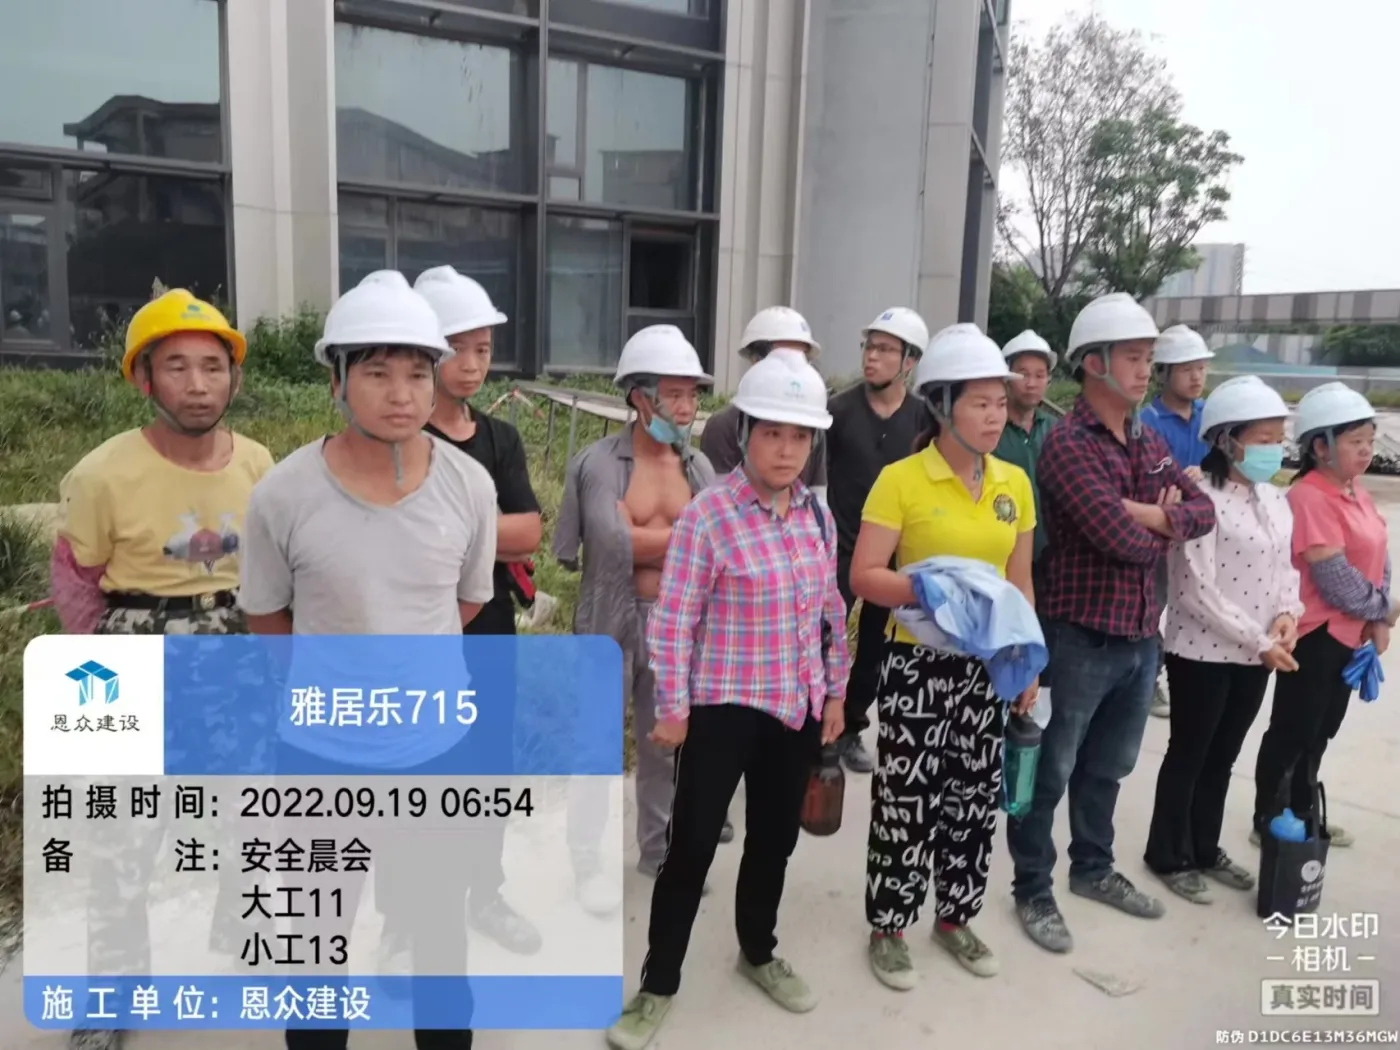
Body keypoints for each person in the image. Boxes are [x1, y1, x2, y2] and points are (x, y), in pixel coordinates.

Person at [238, 270, 499, 1050]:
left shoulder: (469, 487)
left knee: (439, 940)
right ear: (337, 380)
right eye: (378, 372)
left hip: (435, 749)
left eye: (418, 373)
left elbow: (465, 602)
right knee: (318, 942)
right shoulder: (283, 495)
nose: (401, 394)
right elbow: (266, 614)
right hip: (320, 752)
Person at [604, 350, 849, 1050]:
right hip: (722, 711)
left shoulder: (816, 517)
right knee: (689, 851)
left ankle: (758, 951)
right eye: (772, 433)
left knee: (773, 843)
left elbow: (830, 612)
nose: (787, 450)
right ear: (744, 434)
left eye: (800, 436)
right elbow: (674, 619)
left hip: (794, 709)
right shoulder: (709, 515)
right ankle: (658, 984)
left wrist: (835, 692)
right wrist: (673, 708)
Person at [53, 290, 272, 1050]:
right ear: (143, 378)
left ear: (234, 377)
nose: (199, 384)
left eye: (213, 366)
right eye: (176, 367)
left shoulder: (259, 464)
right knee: (121, 834)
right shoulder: (102, 474)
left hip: (238, 643)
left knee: (253, 812)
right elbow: (75, 581)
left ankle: (246, 937)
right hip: (136, 643)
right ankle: (113, 991)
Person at [1005, 292, 1216, 954]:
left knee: (1108, 769)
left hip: (1139, 638)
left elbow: (1203, 511)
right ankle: (1032, 887)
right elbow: (1117, 540)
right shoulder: (1068, 445)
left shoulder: (1148, 439)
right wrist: (1163, 524)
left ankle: (1092, 867)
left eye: (1149, 357)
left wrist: (1152, 514)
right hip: (1078, 637)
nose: (1145, 370)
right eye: (1132, 357)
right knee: (1051, 772)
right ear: (1093, 363)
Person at [851, 323, 1039, 988]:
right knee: (906, 799)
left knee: (973, 798)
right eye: (980, 403)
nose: (995, 416)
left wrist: (1027, 663)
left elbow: (1020, 582)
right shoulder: (901, 481)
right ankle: (890, 924)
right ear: (941, 405)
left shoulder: (1014, 482)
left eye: (1000, 403)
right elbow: (864, 576)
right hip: (918, 666)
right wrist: (927, 590)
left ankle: (956, 917)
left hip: (987, 668)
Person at [553, 325, 717, 902]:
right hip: (609, 619)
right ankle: (587, 863)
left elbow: (715, 546)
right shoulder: (598, 464)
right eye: (673, 394)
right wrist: (681, 536)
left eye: (691, 394)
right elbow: (609, 542)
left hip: (676, 625)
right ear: (639, 397)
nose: (686, 407)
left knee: (665, 743)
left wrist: (649, 535)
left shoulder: (698, 469)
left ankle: (658, 849)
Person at [409, 264, 543, 953]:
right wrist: (486, 531)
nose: (471, 363)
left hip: (488, 629)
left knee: (488, 763)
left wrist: (448, 531)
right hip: (415, 632)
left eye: (483, 349)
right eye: (457, 348)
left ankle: (484, 891)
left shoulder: (499, 440)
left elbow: (531, 530)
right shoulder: (400, 438)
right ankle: (405, 918)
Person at [1145, 376, 1303, 904]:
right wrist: (1259, 639)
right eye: (1263, 439)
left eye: (1278, 438)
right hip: (1202, 653)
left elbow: (1285, 566)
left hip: (1257, 653)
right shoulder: (1200, 498)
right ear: (1227, 439)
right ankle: (1168, 854)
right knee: (1190, 753)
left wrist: (1287, 615)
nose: (1274, 449)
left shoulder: (1274, 499)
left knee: (1224, 755)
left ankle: (1204, 847)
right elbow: (1194, 590)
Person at [700, 306, 827, 840]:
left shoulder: (811, 420)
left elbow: (815, 494)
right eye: (775, 353)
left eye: (797, 355)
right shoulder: (724, 427)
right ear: (754, 360)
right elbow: (722, 511)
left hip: (791, 586)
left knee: (773, 825)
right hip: (737, 605)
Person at [1252, 382, 1396, 851]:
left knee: (1321, 730)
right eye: (1355, 441)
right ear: (1320, 446)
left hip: (1351, 634)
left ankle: (1303, 812)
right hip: (1316, 634)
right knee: (1294, 729)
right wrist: (1384, 609)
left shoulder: (1353, 490)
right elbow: (1335, 577)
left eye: (1369, 441)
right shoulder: (1310, 497)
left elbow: (1380, 552)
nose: (1366, 451)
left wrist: (1378, 615)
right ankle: (1270, 817)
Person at [824, 307, 929, 774]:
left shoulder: (924, 418)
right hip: (840, 546)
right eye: (870, 347)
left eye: (886, 350)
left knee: (875, 647)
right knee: (825, 641)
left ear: (910, 361)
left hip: (895, 555)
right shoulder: (838, 411)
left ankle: (851, 728)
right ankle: (817, 730)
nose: (872, 357)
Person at [1141, 325, 1216, 719]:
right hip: (1162, 528)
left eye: (1201, 368)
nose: (1196, 376)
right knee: (1153, 604)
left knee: (1201, 604)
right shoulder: (1148, 422)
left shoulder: (1212, 417)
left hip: (1205, 530)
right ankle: (1150, 678)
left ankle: (1190, 674)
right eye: (1187, 369)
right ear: (1163, 373)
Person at [993, 329, 1058, 588]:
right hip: (1001, 551)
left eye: (1039, 375)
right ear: (1006, 378)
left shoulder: (1057, 430)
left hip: (1051, 555)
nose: (1031, 383)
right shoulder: (990, 430)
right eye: (1023, 374)